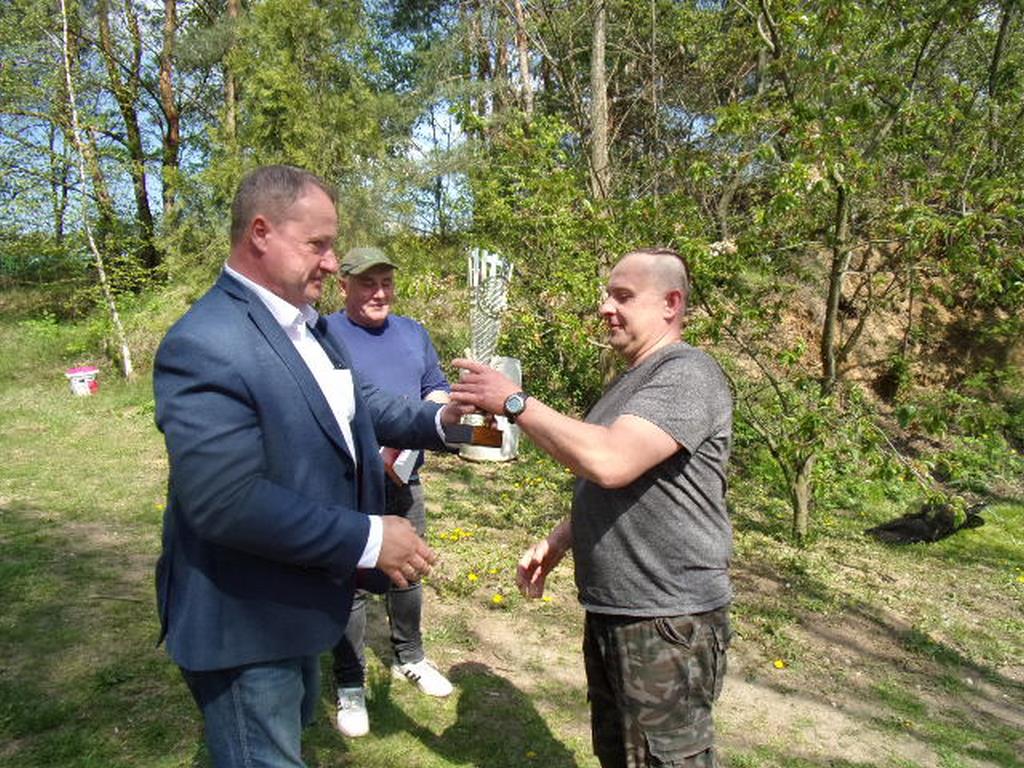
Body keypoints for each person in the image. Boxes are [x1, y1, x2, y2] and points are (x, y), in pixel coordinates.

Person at [153, 165, 469, 768]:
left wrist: (443, 422)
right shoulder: (206, 343)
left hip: (297, 602)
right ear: (261, 233)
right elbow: (224, 500)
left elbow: (357, 405)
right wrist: (371, 537)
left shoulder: (308, 324)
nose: (330, 263)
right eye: (318, 244)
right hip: (244, 620)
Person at [451, 247, 734, 768]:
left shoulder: (689, 374)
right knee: (620, 755)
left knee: (666, 760)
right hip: (617, 609)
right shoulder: (631, 380)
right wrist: (562, 539)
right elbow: (619, 480)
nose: (606, 307)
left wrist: (514, 402)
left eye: (623, 296)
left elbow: (610, 460)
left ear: (671, 304)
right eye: (607, 294)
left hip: (666, 618)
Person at [323, 246, 454, 738]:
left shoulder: (413, 332)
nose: (379, 293)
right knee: (350, 580)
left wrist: (407, 447)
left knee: (408, 569)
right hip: (348, 483)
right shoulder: (325, 334)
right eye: (367, 283)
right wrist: (375, 454)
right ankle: (350, 682)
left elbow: (435, 388)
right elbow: (324, 406)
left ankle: (410, 658)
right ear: (344, 286)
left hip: (407, 477)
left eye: (386, 283)